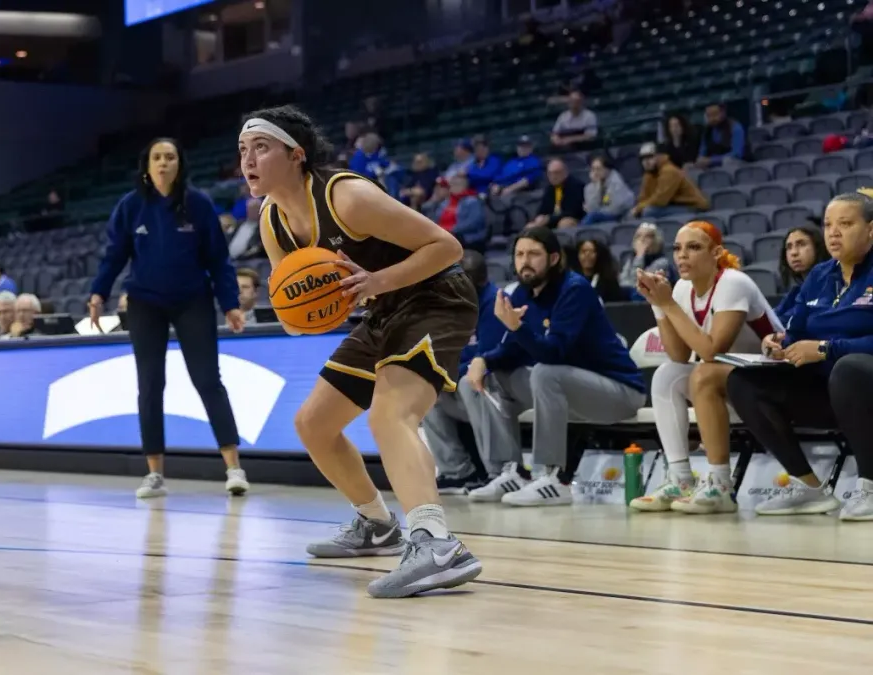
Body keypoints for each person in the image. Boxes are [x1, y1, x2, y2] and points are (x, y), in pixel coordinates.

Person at [240, 105, 483, 598]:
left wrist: (377, 280)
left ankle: (436, 543)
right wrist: (298, 313)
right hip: (382, 309)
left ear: (296, 154)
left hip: (436, 297)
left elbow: (447, 246)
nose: (248, 158)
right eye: (243, 150)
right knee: (314, 423)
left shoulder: (347, 197)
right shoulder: (273, 221)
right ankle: (376, 523)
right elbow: (296, 306)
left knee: (389, 415)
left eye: (261, 147)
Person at [89, 137, 249, 499]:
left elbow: (218, 260)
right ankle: (155, 474)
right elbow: (114, 255)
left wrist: (231, 304)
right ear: (147, 165)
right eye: (157, 157)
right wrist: (99, 292)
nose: (163, 163)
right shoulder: (130, 206)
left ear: (180, 164)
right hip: (145, 302)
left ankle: (234, 467)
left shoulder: (199, 204)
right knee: (150, 385)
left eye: (170, 157)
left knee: (208, 380)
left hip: (193, 299)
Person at [465, 227, 646, 506]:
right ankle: (511, 471)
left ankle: (553, 478)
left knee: (545, 373)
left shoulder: (574, 289)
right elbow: (513, 350)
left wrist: (517, 327)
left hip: (617, 391)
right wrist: (484, 360)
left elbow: (554, 353)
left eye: (534, 254)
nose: (525, 261)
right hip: (570, 390)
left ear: (553, 258)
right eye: (519, 254)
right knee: (491, 377)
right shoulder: (523, 294)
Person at [728, 192, 873, 519]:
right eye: (828, 225)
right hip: (829, 392)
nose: (833, 233)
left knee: (848, 369)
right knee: (743, 382)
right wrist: (779, 343)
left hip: (863, 383)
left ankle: (870, 486)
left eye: (846, 224)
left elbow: (832, 349)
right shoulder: (820, 275)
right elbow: (796, 329)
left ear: (871, 231)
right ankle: (808, 487)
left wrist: (826, 348)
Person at [629, 222, 783, 514]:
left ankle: (720, 485)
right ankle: (680, 478)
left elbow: (712, 351)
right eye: (677, 248)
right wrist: (658, 304)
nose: (682, 255)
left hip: (772, 378)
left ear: (717, 253)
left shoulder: (733, 282)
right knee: (666, 375)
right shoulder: (684, 288)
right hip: (730, 380)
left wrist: (669, 303)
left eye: (694, 247)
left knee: (703, 370)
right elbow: (677, 354)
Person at [421, 251, 500, 494]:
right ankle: (457, 472)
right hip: (462, 388)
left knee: (471, 381)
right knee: (425, 390)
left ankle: (495, 473)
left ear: (481, 282)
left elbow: (488, 356)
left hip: (494, 389)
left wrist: (454, 371)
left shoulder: (495, 301)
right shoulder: (453, 305)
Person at [775, 225, 826, 324]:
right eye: (789, 247)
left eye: (801, 244)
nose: (794, 253)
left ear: (818, 248)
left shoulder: (831, 287)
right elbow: (774, 319)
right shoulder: (795, 292)